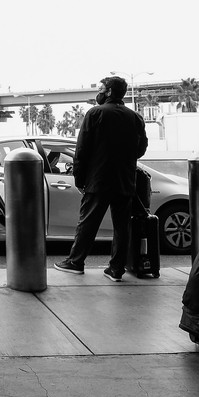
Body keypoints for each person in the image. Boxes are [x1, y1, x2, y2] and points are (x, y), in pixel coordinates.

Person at [54, 76, 148, 280]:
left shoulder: (95, 113)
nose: (99, 92)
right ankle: (116, 269)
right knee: (122, 227)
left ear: (110, 92)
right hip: (125, 181)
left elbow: (81, 150)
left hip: (99, 180)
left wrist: (79, 178)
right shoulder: (135, 117)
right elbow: (140, 150)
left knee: (88, 223)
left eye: (101, 89)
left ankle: (75, 261)